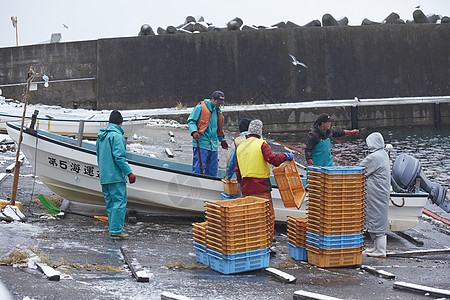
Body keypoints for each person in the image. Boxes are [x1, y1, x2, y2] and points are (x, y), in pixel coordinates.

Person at [235, 119, 293, 242]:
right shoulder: (262, 144)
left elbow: (237, 170)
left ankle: (252, 241)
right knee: (266, 216)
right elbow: (273, 159)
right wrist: (285, 156)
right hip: (261, 187)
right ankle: (266, 243)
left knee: (250, 216)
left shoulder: (240, 147)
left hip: (246, 187)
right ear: (260, 131)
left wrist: (241, 183)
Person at [96, 110, 136, 238]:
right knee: (119, 203)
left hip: (104, 176)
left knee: (110, 203)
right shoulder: (117, 136)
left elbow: (99, 156)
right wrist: (129, 173)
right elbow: (119, 158)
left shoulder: (101, 136)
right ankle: (116, 231)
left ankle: (113, 229)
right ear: (121, 123)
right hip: (116, 177)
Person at [360, 132, 390, 258]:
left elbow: (360, 169)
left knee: (376, 219)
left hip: (375, 193)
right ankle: (377, 248)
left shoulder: (374, 157)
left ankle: (381, 250)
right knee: (378, 219)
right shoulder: (383, 154)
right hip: (381, 192)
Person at [187, 90, 229, 176]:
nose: (219, 104)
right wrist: (194, 131)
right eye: (218, 102)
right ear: (213, 99)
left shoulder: (217, 112)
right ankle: (197, 184)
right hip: (201, 143)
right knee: (199, 168)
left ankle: (210, 185)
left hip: (213, 145)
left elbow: (218, 128)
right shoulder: (200, 108)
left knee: (213, 168)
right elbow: (191, 121)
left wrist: (222, 140)